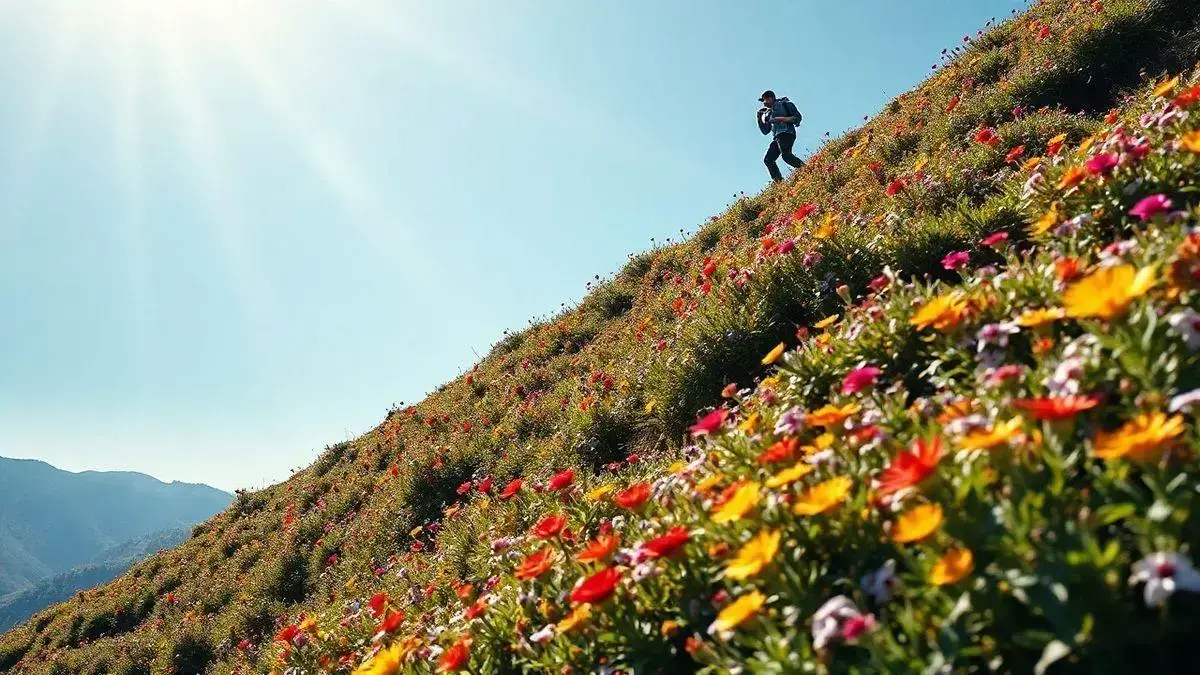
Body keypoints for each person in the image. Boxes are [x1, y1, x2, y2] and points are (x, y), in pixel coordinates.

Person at [757, 90, 804, 182]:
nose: (764, 103)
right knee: (768, 160)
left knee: (786, 156)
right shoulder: (768, 113)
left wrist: (783, 119)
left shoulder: (785, 104)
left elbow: (798, 117)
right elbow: (765, 131)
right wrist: (759, 118)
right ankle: (779, 183)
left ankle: (806, 168)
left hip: (787, 133)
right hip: (777, 137)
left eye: (764, 100)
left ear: (770, 98)